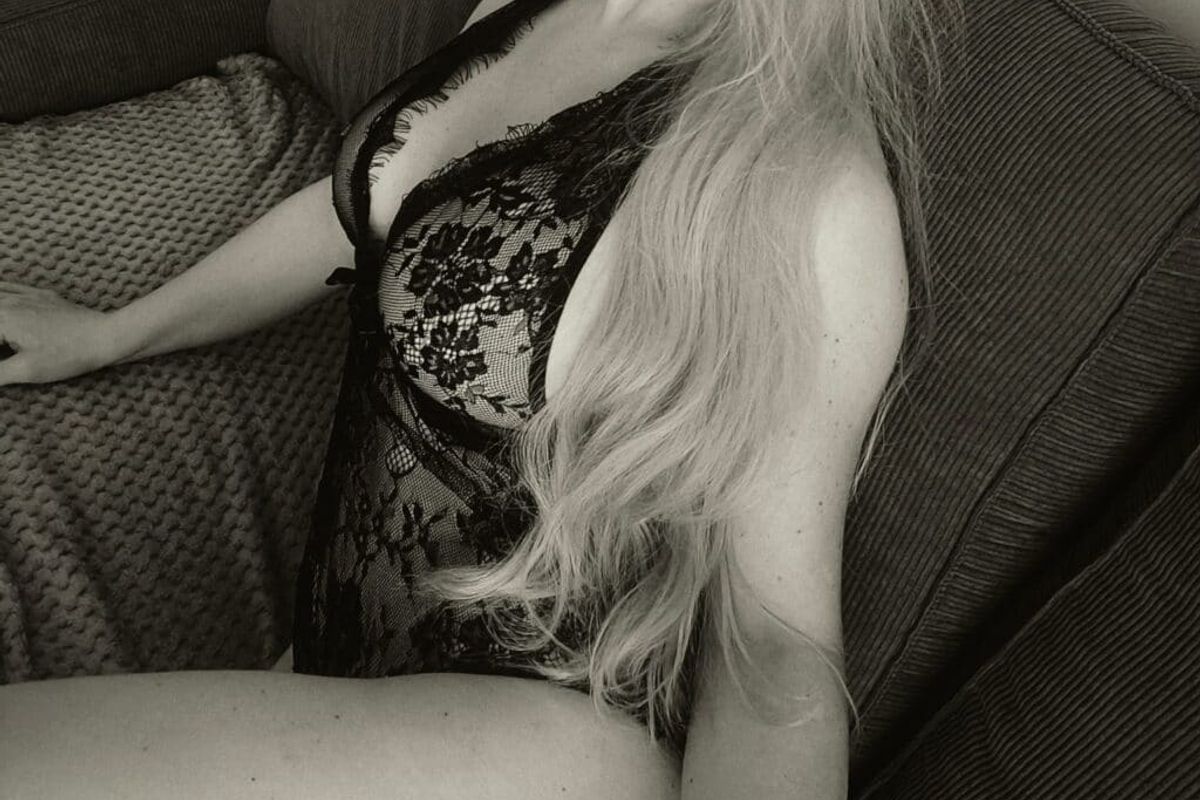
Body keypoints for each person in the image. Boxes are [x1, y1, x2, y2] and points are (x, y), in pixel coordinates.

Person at [0, 0, 950, 796]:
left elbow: (773, 649)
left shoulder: (807, 183)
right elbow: (378, 211)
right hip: (341, 667)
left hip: (542, 731)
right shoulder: (528, 5)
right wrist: (114, 331)